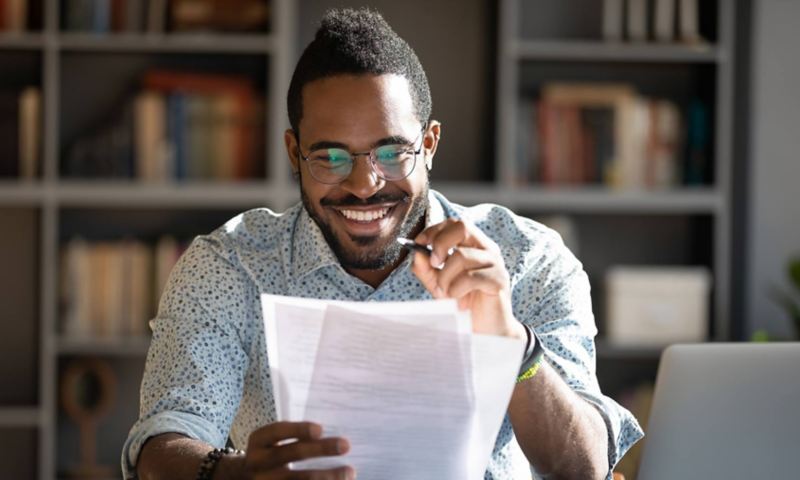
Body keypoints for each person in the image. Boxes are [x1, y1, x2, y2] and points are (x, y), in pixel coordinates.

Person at [124, 8, 642, 480]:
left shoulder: (528, 259)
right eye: (329, 157)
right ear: (293, 152)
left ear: (430, 144)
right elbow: (161, 442)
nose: (364, 184)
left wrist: (511, 341)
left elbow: (585, 468)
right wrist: (233, 476)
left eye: (392, 152)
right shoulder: (230, 267)